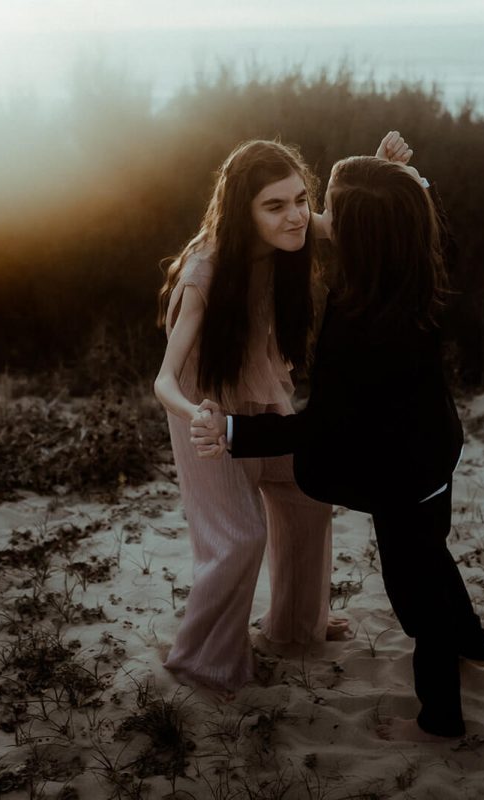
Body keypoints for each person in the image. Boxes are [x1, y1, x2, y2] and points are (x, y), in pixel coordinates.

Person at [190, 154, 484, 740]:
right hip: (435, 454)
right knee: (436, 557)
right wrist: (399, 179)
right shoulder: (419, 271)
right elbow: (422, 222)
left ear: (359, 235)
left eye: (329, 205)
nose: (316, 215)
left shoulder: (361, 328)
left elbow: (322, 427)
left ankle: (440, 719)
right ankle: (475, 647)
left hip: (400, 478)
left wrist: (233, 432)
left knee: (416, 595)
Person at [153, 135, 411, 694]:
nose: (298, 216)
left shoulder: (293, 231)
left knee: (309, 494)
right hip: (208, 418)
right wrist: (195, 414)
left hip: (265, 402)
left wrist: (382, 170)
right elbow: (164, 380)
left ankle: (295, 628)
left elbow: (346, 219)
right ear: (244, 212)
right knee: (240, 538)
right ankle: (203, 663)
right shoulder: (205, 272)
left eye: (300, 199)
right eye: (276, 205)